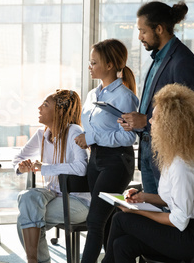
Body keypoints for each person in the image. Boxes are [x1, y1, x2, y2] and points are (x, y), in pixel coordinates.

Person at [102, 84, 194, 263]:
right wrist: (142, 198)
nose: (150, 122)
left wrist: (135, 212)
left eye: (155, 118)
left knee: (122, 219)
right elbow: (175, 200)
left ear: (171, 126)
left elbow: (179, 220)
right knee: (123, 245)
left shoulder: (183, 165)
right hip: (189, 229)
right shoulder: (173, 157)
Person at [119, 1, 194, 194]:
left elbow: (190, 117)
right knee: (153, 211)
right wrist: (137, 122)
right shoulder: (158, 58)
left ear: (159, 29)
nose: (139, 37)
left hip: (169, 155)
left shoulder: (183, 62)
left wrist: (146, 121)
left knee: (168, 215)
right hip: (150, 150)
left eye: (143, 31)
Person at [74, 39, 139, 263]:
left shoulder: (124, 96)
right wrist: (86, 139)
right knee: (108, 220)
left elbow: (129, 136)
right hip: (96, 159)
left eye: (94, 62)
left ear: (110, 64)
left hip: (117, 162)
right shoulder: (93, 94)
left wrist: (91, 137)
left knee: (94, 221)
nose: (89, 66)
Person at [13, 89, 89, 263]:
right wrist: (21, 167)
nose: (39, 108)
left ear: (60, 111)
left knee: (25, 220)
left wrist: (45, 168)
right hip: (53, 195)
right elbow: (18, 158)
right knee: (28, 198)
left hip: (78, 201)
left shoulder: (74, 131)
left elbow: (81, 167)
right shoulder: (41, 134)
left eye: (45, 105)